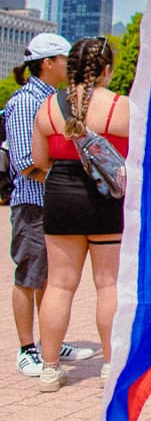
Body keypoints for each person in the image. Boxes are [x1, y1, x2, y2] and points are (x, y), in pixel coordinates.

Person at [29, 36, 130, 391]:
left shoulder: (48, 108)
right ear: (105, 69)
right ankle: (109, 363)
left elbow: (39, 161)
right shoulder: (119, 107)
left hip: (60, 194)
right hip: (105, 198)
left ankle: (50, 368)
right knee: (107, 284)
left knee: (58, 284)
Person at [3, 32, 72, 377]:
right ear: (48, 64)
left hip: (53, 201)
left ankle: (50, 341)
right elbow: (25, 162)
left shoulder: (56, 100)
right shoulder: (27, 102)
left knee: (50, 275)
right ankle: (27, 347)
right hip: (32, 203)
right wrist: (68, 178)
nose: (69, 64)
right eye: (64, 59)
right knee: (29, 275)